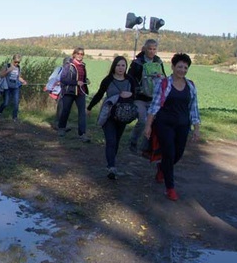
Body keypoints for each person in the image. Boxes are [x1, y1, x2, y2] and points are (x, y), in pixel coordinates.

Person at [144, 53, 201, 201]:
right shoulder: (164, 84)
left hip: (183, 125)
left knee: (178, 154)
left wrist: (196, 129)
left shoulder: (191, 86)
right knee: (169, 153)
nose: (182, 70)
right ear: (173, 67)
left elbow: (193, 108)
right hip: (164, 124)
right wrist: (148, 125)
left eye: (185, 67)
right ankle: (170, 188)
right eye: (179, 66)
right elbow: (154, 106)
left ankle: (162, 168)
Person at [86, 56, 137, 180]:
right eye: (118, 65)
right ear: (114, 66)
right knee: (111, 140)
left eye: (123, 65)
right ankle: (111, 167)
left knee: (117, 141)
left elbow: (137, 94)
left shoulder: (130, 80)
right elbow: (99, 94)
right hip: (109, 115)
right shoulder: (108, 80)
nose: (120, 68)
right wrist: (89, 107)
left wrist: (130, 95)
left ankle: (111, 162)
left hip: (123, 116)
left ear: (126, 67)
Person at [127, 39, 166, 154]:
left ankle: (145, 148)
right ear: (145, 49)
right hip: (140, 97)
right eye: (149, 49)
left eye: (154, 49)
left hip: (154, 98)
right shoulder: (137, 63)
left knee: (152, 123)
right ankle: (133, 142)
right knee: (143, 121)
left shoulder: (159, 62)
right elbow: (130, 78)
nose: (152, 51)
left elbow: (164, 77)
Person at [57, 47, 91, 142]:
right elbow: (63, 79)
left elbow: (82, 78)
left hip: (80, 92)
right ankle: (61, 128)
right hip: (69, 91)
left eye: (82, 54)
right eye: (78, 53)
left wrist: (85, 81)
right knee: (66, 110)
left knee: (82, 113)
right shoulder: (69, 65)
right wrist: (76, 82)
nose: (80, 55)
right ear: (74, 54)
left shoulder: (83, 65)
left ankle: (82, 134)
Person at [0, 54, 28, 121]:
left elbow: (18, 77)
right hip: (7, 87)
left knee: (16, 102)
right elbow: (1, 75)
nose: (16, 63)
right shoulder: (7, 66)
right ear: (13, 60)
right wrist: (9, 70)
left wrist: (23, 81)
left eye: (18, 62)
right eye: (15, 62)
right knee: (6, 102)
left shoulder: (18, 68)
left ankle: (14, 117)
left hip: (15, 87)